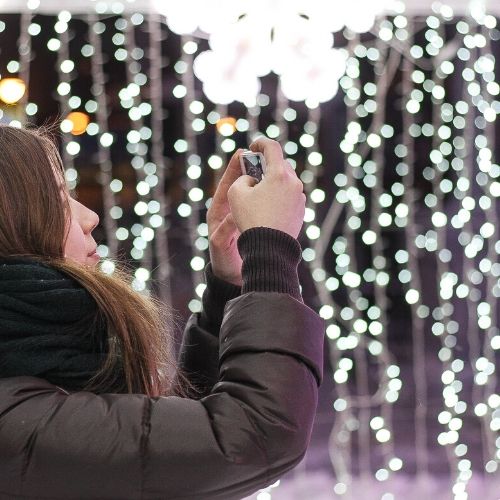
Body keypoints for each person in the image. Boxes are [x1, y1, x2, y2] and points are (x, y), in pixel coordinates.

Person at [0, 125, 325, 499]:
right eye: (58, 201)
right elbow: (252, 436)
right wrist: (270, 250)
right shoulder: (14, 420)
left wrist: (231, 282)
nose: (90, 216)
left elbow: (157, 457)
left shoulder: (31, 375)